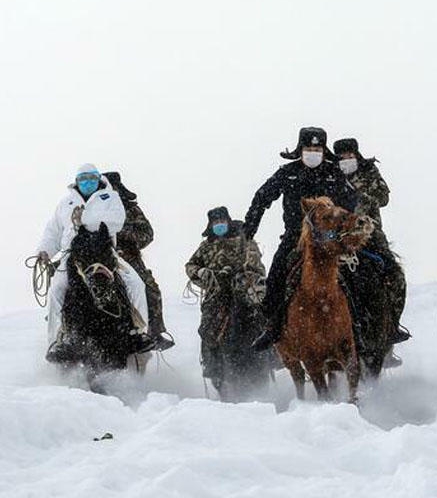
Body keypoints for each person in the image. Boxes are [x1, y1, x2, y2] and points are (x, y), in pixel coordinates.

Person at [244, 127, 358, 350]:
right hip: (295, 238)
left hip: (331, 238)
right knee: (277, 274)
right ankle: (273, 328)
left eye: (317, 148)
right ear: (301, 149)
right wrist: (250, 228)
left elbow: (350, 201)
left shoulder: (334, 173)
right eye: (309, 148)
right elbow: (262, 197)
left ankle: (359, 328)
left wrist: (343, 228)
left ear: (324, 150)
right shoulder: (287, 172)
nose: (313, 152)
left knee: (357, 276)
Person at [36, 164, 153, 361]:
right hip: (72, 254)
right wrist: (45, 251)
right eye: (83, 179)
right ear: (77, 181)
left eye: (91, 178)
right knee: (56, 290)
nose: (87, 182)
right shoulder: (66, 203)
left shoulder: (110, 197)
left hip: (104, 252)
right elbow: (54, 230)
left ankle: (139, 332)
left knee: (136, 284)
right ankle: (57, 341)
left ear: (98, 179)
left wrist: (84, 220)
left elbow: (117, 220)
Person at [333, 138, 410, 349]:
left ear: (356, 155)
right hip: (340, 238)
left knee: (396, 277)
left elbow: (384, 197)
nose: (346, 160)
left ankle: (392, 326)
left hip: (371, 235)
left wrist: (360, 194)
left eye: (350, 156)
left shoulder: (369, 171)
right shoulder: (331, 175)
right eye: (341, 157)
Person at [186, 207, 268, 387]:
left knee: (263, 316)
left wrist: (241, 273)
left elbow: (256, 264)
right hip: (218, 293)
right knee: (208, 326)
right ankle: (212, 366)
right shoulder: (206, 246)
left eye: (222, 221)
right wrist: (204, 273)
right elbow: (190, 265)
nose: (219, 225)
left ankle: (271, 358)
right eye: (215, 222)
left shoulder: (244, 239)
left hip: (245, 289)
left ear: (228, 221)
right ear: (210, 224)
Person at [105, 171, 174, 351]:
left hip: (128, 258)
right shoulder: (94, 208)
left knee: (151, 289)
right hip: (99, 256)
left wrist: (127, 235)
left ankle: (154, 332)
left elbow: (147, 234)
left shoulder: (131, 209)